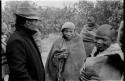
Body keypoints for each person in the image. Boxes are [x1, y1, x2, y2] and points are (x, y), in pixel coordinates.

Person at [6, 3, 45, 81]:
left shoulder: (26, 37)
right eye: (36, 21)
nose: (37, 24)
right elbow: (19, 73)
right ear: (28, 22)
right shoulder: (17, 41)